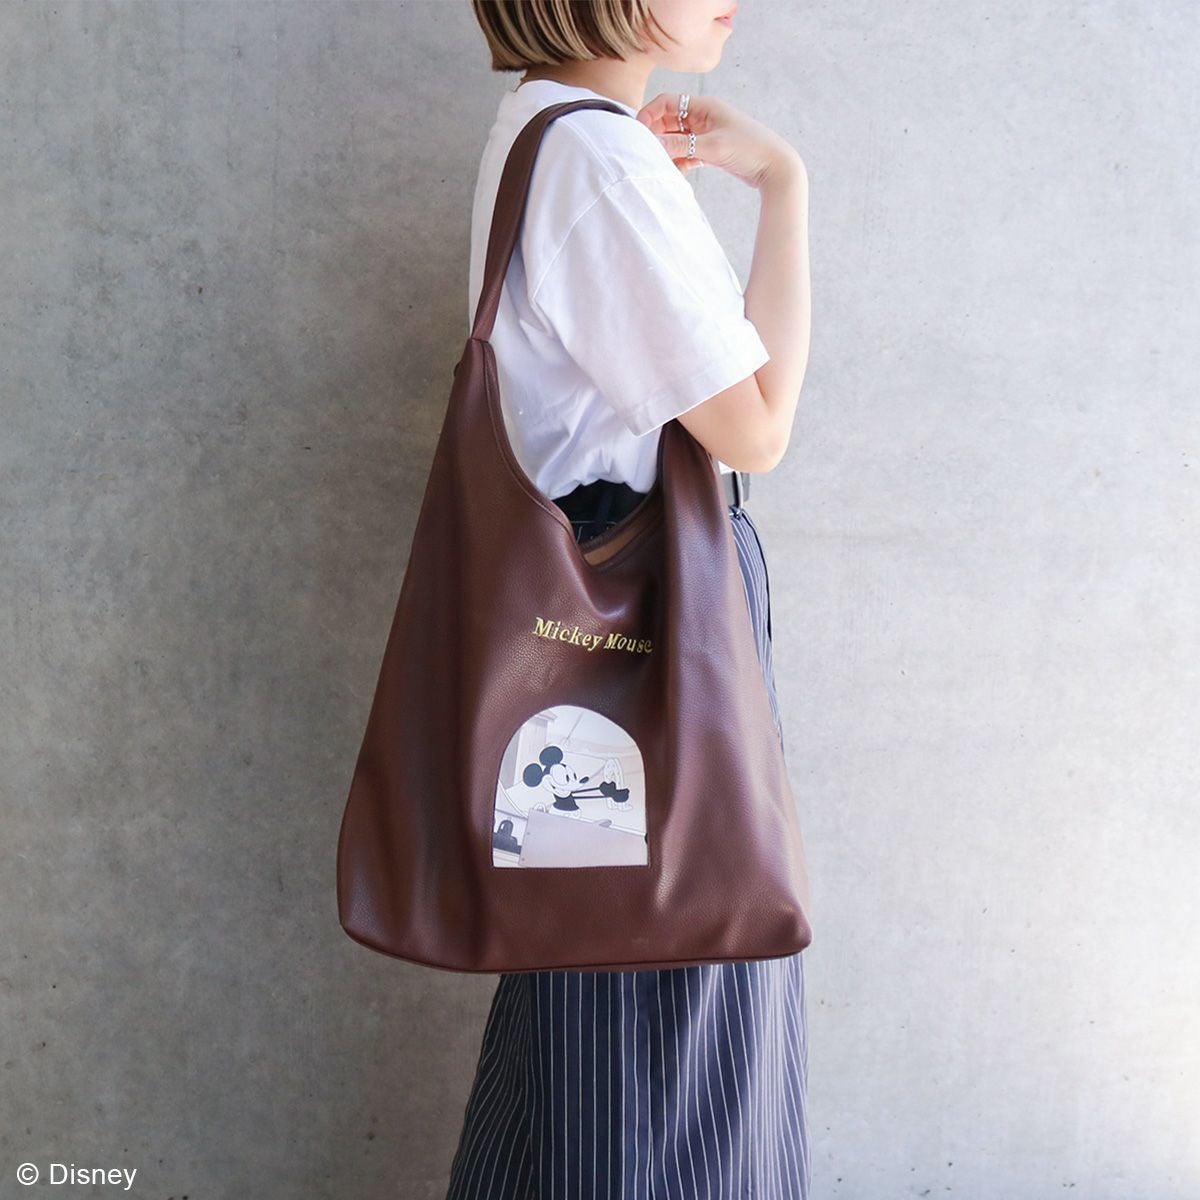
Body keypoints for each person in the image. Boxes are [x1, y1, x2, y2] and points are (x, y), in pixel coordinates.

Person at [448, 1, 812, 1196]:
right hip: (648, 634)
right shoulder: (597, 159)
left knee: (586, 998)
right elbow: (755, 428)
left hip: (589, 644)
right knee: (670, 1003)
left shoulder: (542, 129)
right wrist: (785, 187)